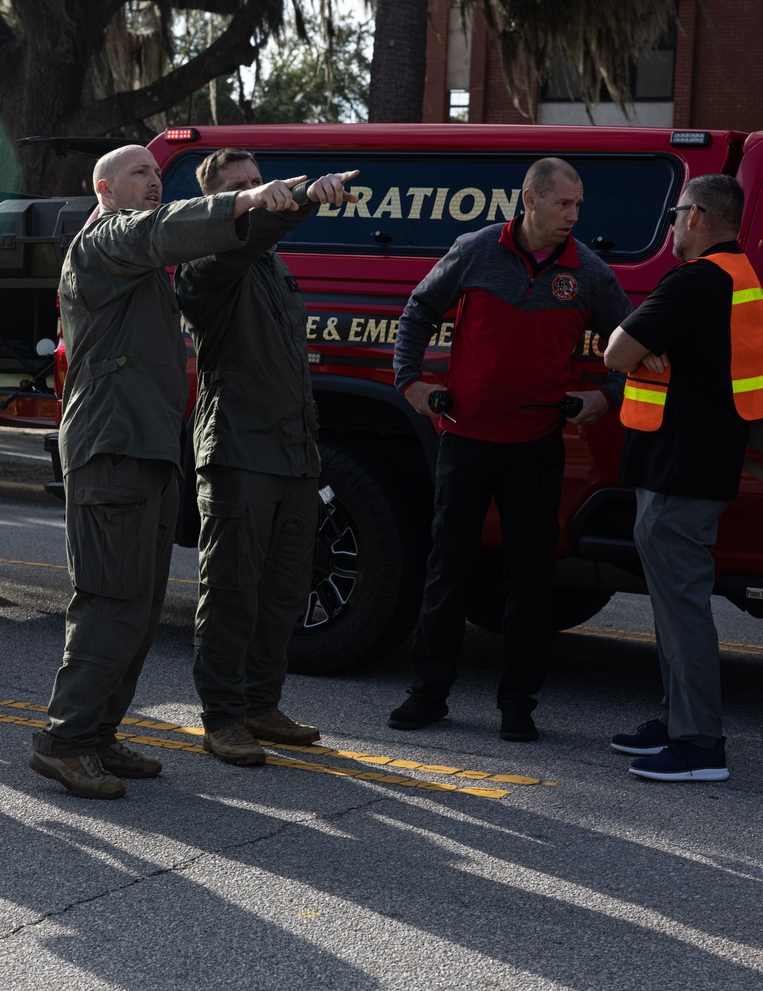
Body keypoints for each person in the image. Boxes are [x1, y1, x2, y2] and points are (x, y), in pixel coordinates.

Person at [31, 145, 357, 800]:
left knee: (141, 607)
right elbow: (169, 230)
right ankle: (64, 740)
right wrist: (245, 200)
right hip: (113, 449)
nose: (153, 181)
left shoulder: (141, 262)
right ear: (104, 189)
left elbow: (203, 238)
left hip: (147, 450)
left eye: (156, 173)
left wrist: (293, 195)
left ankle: (97, 734)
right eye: (138, 174)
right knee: (111, 601)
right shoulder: (103, 243)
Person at [390, 156, 633, 742]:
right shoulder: (476, 250)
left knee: (530, 579)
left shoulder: (589, 270)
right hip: (466, 441)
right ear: (529, 199)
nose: (573, 216)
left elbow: (633, 342)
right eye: (562, 204)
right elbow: (418, 311)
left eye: (578, 205)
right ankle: (427, 694)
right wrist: (412, 382)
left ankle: (519, 703)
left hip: (537, 447)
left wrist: (608, 394)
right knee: (449, 568)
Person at [174, 150, 359, 766]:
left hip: (291, 453)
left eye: (261, 182)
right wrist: (302, 196)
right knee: (231, 591)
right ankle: (222, 717)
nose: (261, 192)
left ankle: (260, 703)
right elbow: (248, 234)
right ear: (218, 203)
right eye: (245, 188)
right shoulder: (210, 261)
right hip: (238, 453)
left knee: (284, 589)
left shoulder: (271, 267)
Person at [604, 173, 761, 782]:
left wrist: (640, 348)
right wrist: (650, 348)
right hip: (699, 463)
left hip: (682, 470)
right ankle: (675, 721)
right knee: (674, 603)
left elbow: (617, 349)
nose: (672, 224)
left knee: (682, 606)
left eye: (675, 214)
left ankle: (698, 745)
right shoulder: (740, 278)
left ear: (695, 217)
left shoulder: (697, 281)